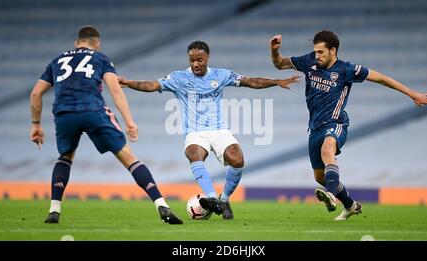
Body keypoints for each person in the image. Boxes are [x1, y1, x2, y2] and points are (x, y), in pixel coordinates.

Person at [119, 40, 299, 219]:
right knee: (193, 153)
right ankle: (212, 198)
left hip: (219, 130)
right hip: (195, 132)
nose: (195, 64)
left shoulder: (220, 75)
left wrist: (277, 81)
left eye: (199, 60)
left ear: (207, 58)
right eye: (192, 60)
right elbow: (151, 85)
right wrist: (130, 83)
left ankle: (224, 199)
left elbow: (250, 81)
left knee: (238, 160)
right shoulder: (178, 78)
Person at [269, 30, 427, 220]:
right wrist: (274, 51)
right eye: (315, 52)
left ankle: (331, 195)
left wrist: (412, 94)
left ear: (333, 50)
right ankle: (350, 205)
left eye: (321, 52)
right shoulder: (309, 62)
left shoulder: (347, 69)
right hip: (315, 128)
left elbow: (382, 78)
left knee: (327, 150)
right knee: (319, 177)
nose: (317, 56)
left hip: (336, 122)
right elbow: (279, 64)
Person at [29, 25, 183, 225]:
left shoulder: (58, 60)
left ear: (76, 43)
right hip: (93, 110)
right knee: (128, 157)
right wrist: (129, 121)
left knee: (66, 156)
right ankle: (162, 205)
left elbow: (35, 94)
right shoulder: (100, 58)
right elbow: (115, 91)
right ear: (97, 44)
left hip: (64, 112)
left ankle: (54, 210)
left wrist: (36, 124)